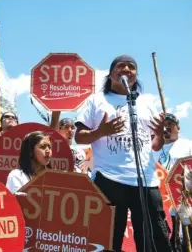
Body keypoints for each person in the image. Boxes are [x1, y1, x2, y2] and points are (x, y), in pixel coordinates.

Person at [74, 55, 171, 252]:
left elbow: (155, 146)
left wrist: (160, 134)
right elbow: (79, 137)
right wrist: (101, 132)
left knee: (155, 241)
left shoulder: (147, 103)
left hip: (146, 182)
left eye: (132, 67)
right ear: (110, 74)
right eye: (121, 66)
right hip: (109, 179)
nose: (127, 69)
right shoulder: (96, 100)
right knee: (107, 241)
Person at [153, 113, 192, 252]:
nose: (166, 127)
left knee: (184, 241)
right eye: (164, 124)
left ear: (178, 128)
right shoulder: (154, 148)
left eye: (170, 124)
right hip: (160, 203)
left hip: (182, 202)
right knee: (164, 242)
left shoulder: (187, 145)